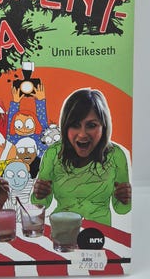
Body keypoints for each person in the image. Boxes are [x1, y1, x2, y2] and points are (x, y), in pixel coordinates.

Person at [31, 88, 131, 226]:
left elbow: (121, 209)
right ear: (65, 127)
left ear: (104, 127)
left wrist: (125, 198)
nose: (82, 134)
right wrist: (39, 194)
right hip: (62, 229)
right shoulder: (53, 153)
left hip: (99, 231)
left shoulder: (116, 155)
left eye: (91, 125)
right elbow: (40, 204)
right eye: (75, 125)